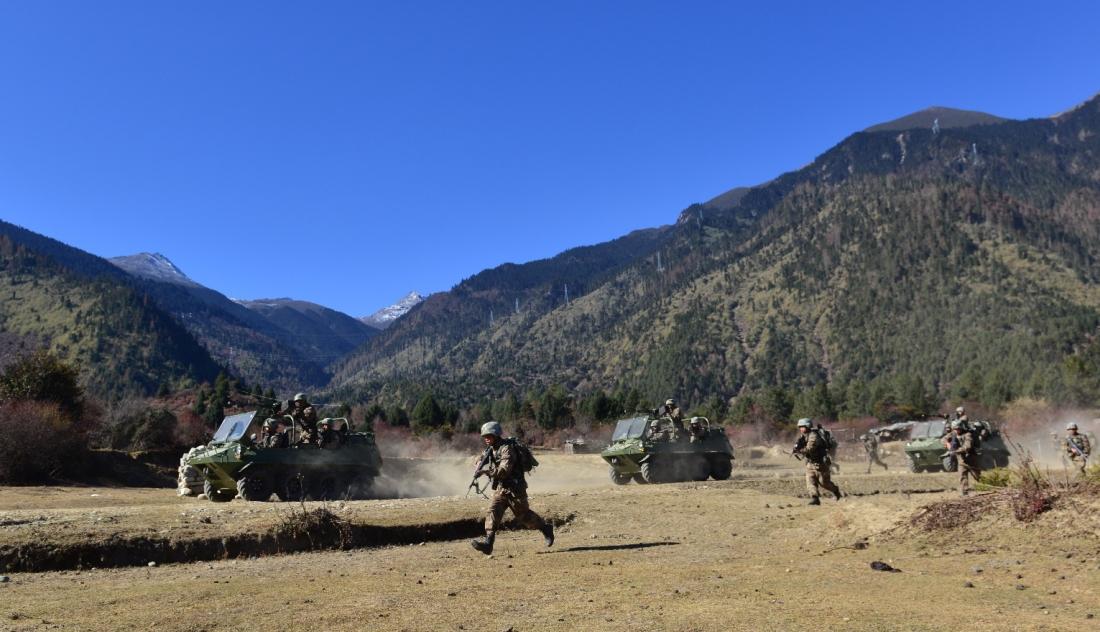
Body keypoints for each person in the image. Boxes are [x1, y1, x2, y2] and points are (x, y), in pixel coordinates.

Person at [471, 422, 554, 555]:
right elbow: (480, 458)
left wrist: (485, 472)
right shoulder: (490, 449)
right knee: (492, 512)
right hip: (501, 489)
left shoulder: (507, 449)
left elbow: (504, 471)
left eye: (489, 435)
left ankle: (545, 528)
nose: (486, 438)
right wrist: (478, 464)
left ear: (496, 435)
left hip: (515, 489)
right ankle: (488, 544)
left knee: (524, 516)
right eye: (484, 436)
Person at [792, 418, 842, 505]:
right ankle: (815, 498)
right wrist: (796, 448)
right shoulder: (804, 436)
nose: (800, 429)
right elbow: (799, 445)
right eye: (800, 427)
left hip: (821, 464)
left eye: (802, 427)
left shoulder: (813, 436)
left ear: (807, 426)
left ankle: (836, 491)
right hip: (810, 463)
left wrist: (800, 451)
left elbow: (810, 448)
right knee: (810, 481)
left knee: (824, 483)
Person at [949, 419, 980, 496]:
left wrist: (956, 451)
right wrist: (948, 445)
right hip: (961, 460)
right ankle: (965, 493)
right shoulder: (953, 434)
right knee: (962, 476)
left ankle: (989, 486)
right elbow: (943, 439)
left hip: (971, 458)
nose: (957, 430)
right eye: (955, 429)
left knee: (977, 476)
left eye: (958, 429)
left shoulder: (967, 434)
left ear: (961, 428)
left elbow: (968, 446)